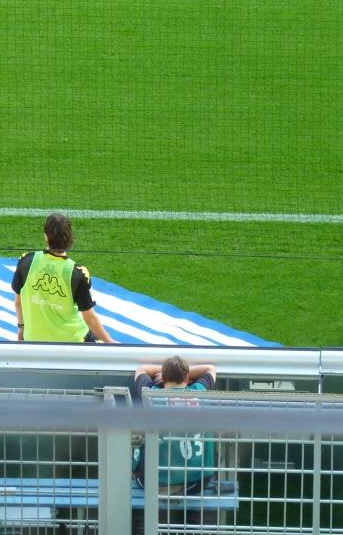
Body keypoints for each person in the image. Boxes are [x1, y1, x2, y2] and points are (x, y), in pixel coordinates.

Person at [11, 212, 114, 343]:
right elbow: (89, 318)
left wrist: (22, 329)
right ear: (70, 238)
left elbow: (18, 303)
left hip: (34, 340)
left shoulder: (26, 261)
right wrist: (111, 344)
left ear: (46, 236)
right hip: (72, 342)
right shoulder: (77, 273)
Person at [131, 356, 218, 495]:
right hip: (196, 483)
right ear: (187, 378)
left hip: (151, 482)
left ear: (163, 378)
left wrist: (166, 372)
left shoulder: (150, 395)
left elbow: (141, 369)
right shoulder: (199, 391)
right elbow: (210, 368)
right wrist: (181, 372)